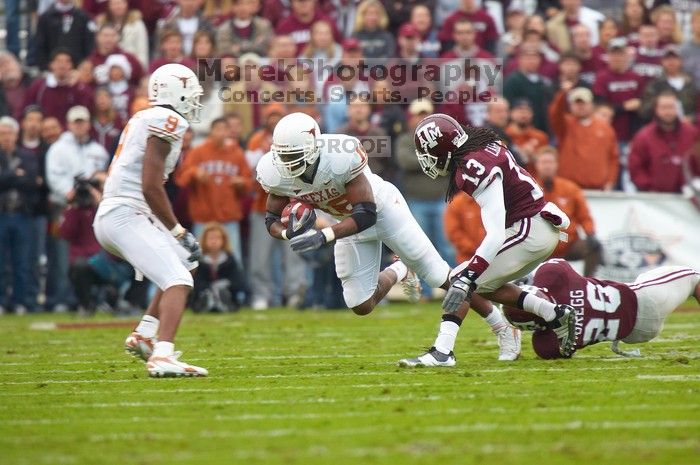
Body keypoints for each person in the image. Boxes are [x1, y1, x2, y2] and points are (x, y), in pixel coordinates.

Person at [259, 112, 523, 365]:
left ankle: (501, 327)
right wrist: (287, 233)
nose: (287, 162)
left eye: (293, 154)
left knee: (441, 277)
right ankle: (400, 269)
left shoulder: (341, 155)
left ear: (313, 145)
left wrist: (324, 236)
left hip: (384, 210)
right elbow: (271, 218)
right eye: (282, 155)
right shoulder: (274, 171)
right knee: (360, 305)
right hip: (346, 224)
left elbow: (366, 214)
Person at [401, 113, 578, 366]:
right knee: (486, 286)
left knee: (461, 280)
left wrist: (468, 276)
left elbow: (494, 235)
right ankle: (554, 314)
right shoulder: (480, 144)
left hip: (529, 229)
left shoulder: (474, 167)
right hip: (536, 226)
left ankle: (443, 352)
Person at [93, 63, 207, 377]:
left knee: (187, 262)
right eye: (191, 92)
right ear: (178, 92)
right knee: (178, 280)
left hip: (120, 211)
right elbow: (150, 185)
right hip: (126, 213)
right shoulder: (167, 120)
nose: (195, 99)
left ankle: (144, 334)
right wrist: (177, 229)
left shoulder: (146, 115)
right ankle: (163, 355)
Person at [503, 259, 700, 360]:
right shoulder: (553, 275)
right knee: (694, 277)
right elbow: (554, 265)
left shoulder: (545, 346)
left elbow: (564, 352)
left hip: (632, 335)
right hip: (644, 299)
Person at [46, 106, 110, 313]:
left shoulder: (97, 151)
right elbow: (54, 176)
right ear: (69, 124)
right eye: (76, 122)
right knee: (62, 254)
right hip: (65, 206)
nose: (80, 125)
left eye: (83, 122)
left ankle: (88, 298)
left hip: (93, 208)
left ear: (88, 124)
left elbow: (103, 175)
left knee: (93, 253)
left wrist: (93, 190)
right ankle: (63, 298)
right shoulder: (58, 148)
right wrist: (70, 192)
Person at [246, 104, 308, 310]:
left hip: (292, 205)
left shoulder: (295, 138)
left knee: (294, 253)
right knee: (261, 257)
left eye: (277, 116)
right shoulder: (256, 140)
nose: (273, 120)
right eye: (270, 116)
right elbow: (251, 173)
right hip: (262, 205)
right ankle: (262, 294)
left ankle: (294, 293)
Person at [175, 117, 253, 263]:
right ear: (211, 131)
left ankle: (234, 286)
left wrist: (241, 182)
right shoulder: (198, 152)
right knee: (200, 260)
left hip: (228, 217)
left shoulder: (237, 154)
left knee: (233, 259)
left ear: (228, 132)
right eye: (217, 129)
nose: (221, 133)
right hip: (203, 218)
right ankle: (200, 286)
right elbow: (182, 180)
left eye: (224, 130)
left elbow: (249, 184)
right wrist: (194, 172)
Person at [532, 146, 601, 277]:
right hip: (538, 247)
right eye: (543, 162)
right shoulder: (529, 188)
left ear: (556, 165)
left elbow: (584, 216)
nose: (547, 166)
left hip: (568, 244)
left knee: (594, 247)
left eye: (550, 162)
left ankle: (587, 283)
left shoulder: (570, 188)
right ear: (537, 165)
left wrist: (590, 233)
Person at [0, 117, 43, 315]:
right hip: (2, 213)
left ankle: (20, 302)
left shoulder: (26, 156)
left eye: (9, 133)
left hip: (22, 214)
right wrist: (15, 175)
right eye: (2, 133)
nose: (6, 137)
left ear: (16, 135)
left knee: (22, 261)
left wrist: (9, 177)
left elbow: (32, 182)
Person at [548, 84, 619, 190]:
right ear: (570, 106)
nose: (580, 106)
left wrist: (610, 181)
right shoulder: (565, 125)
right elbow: (555, 113)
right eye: (576, 103)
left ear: (592, 105)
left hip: (597, 188)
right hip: (569, 188)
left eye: (583, 103)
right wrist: (562, 94)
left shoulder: (606, 129)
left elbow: (613, 158)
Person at [628, 92, 699, 193]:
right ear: (656, 109)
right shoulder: (643, 137)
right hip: (655, 198)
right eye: (664, 108)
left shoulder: (692, 134)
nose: (668, 112)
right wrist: (647, 187)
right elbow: (636, 168)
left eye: (671, 107)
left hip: (689, 197)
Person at [593, 37, 645, 144]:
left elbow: (643, 103)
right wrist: (624, 106)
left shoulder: (636, 77)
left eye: (620, 54)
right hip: (610, 133)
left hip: (633, 133)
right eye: (613, 54)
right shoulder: (602, 78)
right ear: (608, 56)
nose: (617, 58)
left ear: (626, 55)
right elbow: (599, 107)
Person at [23, 49, 94, 127]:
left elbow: (88, 106)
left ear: (71, 66)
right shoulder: (40, 85)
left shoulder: (79, 87)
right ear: (51, 65)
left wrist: (77, 86)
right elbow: (25, 106)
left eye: (67, 62)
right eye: (58, 61)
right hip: (44, 131)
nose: (62, 65)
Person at [191, 223, 243, 312]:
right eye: (211, 238)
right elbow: (196, 281)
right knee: (204, 294)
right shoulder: (199, 260)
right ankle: (208, 302)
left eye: (217, 238)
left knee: (224, 292)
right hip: (205, 291)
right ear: (204, 240)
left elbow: (238, 281)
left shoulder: (229, 259)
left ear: (224, 240)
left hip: (226, 291)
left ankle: (223, 303)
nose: (214, 241)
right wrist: (210, 287)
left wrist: (226, 284)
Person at [638, 45, 697, 123]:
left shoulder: (691, 83)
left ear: (681, 61)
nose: (671, 62)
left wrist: (691, 118)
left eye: (674, 58)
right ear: (662, 62)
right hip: (663, 128)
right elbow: (644, 112)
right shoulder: (655, 84)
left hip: (689, 128)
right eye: (667, 59)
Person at [503, 45, 553, 133]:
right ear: (520, 60)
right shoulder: (512, 81)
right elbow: (508, 106)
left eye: (535, 57)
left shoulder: (544, 82)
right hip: (519, 131)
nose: (531, 61)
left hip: (542, 130)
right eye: (528, 58)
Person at [34, 0, 96, 70]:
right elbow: (40, 44)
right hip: (51, 70)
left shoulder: (83, 17)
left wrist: (85, 64)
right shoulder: (45, 18)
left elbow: (90, 44)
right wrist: (47, 65)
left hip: (78, 70)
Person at [95, 0, 150, 69]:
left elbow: (142, 49)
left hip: (132, 65)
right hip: (106, 66)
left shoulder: (137, 23)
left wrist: (142, 68)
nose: (118, 7)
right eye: (114, 4)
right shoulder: (102, 23)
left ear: (126, 4)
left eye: (120, 3)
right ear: (109, 6)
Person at [275, 0, 341, 55]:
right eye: (299, 1)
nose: (303, 3)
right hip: (294, 68)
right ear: (292, 2)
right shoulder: (284, 26)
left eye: (306, 0)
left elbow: (338, 45)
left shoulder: (327, 22)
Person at [505, 98, 549, 168]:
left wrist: (533, 156)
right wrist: (518, 153)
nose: (523, 114)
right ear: (511, 113)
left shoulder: (540, 137)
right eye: (520, 111)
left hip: (533, 177)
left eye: (527, 111)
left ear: (532, 114)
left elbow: (547, 162)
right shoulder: (504, 135)